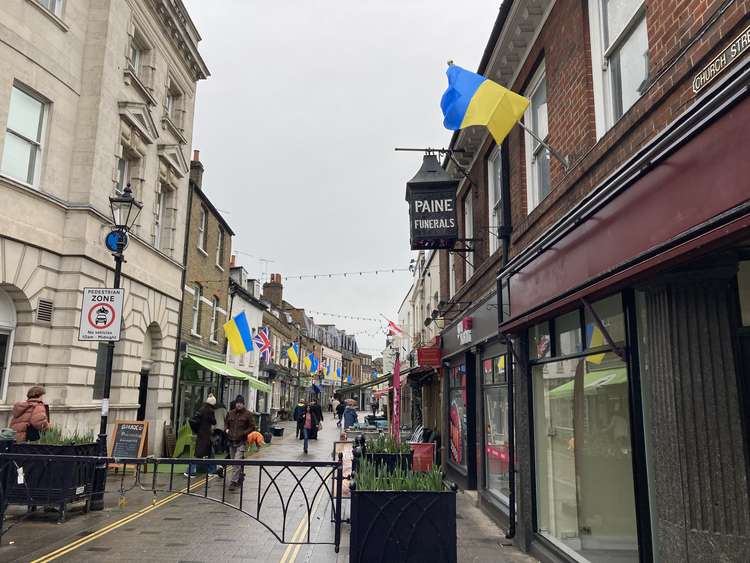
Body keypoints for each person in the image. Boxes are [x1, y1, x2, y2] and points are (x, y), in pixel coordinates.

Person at [225, 395, 256, 490]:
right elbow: (226, 423)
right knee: (233, 461)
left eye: (240, 403)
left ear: (243, 404)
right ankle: (239, 476)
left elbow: (252, 426)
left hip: (242, 441)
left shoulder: (248, 414)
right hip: (231, 440)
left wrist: (244, 433)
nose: (238, 405)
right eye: (237, 403)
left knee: (236, 462)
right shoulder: (230, 413)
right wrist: (226, 429)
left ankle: (233, 482)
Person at [185, 394, 217, 477]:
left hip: (203, 435)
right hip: (205, 435)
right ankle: (189, 471)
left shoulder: (203, 409)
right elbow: (214, 421)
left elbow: (193, 420)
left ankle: (212, 470)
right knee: (199, 454)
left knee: (210, 453)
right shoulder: (209, 410)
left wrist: (196, 430)